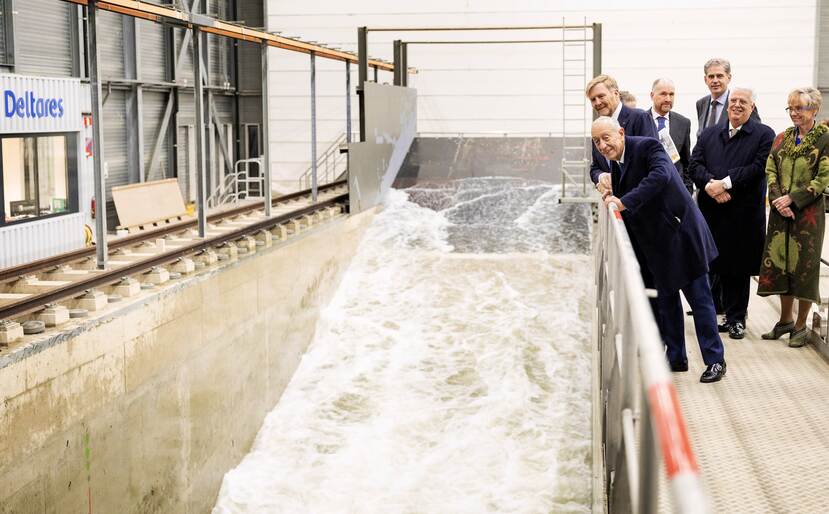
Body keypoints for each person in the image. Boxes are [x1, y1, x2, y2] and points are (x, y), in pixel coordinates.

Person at [592, 116, 726, 383]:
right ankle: (676, 357)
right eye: (596, 142)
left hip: (682, 235)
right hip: (657, 244)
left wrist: (623, 202)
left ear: (620, 132)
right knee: (667, 302)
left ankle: (715, 360)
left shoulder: (649, 147)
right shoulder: (616, 164)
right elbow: (621, 197)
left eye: (606, 138)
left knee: (700, 301)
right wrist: (610, 197)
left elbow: (661, 176)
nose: (602, 146)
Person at [689, 86, 775, 340]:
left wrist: (725, 184)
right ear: (727, 106)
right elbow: (695, 164)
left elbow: (758, 168)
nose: (737, 105)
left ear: (752, 107)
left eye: (743, 102)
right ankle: (716, 315)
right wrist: (709, 186)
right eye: (733, 101)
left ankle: (737, 319)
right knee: (712, 265)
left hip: (742, 215)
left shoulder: (764, 134)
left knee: (738, 268)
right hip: (712, 212)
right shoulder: (709, 134)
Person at [757, 87, 829, 347]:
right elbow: (770, 168)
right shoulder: (781, 138)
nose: (794, 113)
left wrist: (794, 199)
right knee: (781, 265)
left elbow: (823, 178)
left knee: (804, 269)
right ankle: (785, 321)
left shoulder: (825, 138)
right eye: (791, 108)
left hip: (807, 214)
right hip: (780, 213)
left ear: (814, 110)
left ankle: (800, 326)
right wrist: (778, 199)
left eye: (800, 108)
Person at [586, 74, 657, 185]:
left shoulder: (639, 118)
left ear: (616, 94)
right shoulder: (598, 129)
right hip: (613, 200)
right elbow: (595, 167)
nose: (597, 102)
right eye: (593, 99)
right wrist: (602, 177)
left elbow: (652, 163)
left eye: (601, 96)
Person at [647, 78, 693, 194]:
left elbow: (686, 161)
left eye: (671, 94)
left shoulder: (683, 123)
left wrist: (687, 189)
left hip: (675, 192)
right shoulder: (639, 120)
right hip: (647, 191)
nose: (668, 99)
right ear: (652, 95)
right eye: (663, 94)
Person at [695, 58, 760, 137]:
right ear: (705, 79)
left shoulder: (742, 104)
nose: (715, 80)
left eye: (719, 76)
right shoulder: (701, 104)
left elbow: (757, 135)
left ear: (729, 78)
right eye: (711, 76)